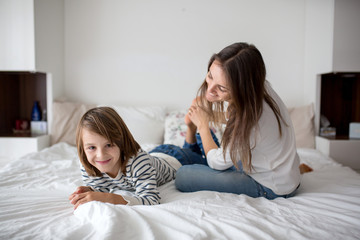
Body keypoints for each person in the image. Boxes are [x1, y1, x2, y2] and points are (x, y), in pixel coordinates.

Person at [174, 42, 301, 199]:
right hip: (281, 175)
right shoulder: (260, 88)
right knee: (201, 157)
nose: (210, 89)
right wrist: (208, 116)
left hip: (271, 186)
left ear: (243, 88)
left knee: (183, 175)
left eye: (222, 88)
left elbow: (217, 163)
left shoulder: (249, 119)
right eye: (210, 76)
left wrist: (203, 125)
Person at [69, 106, 207, 209]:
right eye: (92, 147)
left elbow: (151, 200)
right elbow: (103, 188)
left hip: (176, 159)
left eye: (109, 145)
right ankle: (190, 131)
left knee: (203, 159)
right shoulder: (89, 164)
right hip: (154, 155)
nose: (100, 155)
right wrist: (92, 191)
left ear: (121, 141)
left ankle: (194, 129)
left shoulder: (137, 162)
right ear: (83, 148)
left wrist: (107, 197)